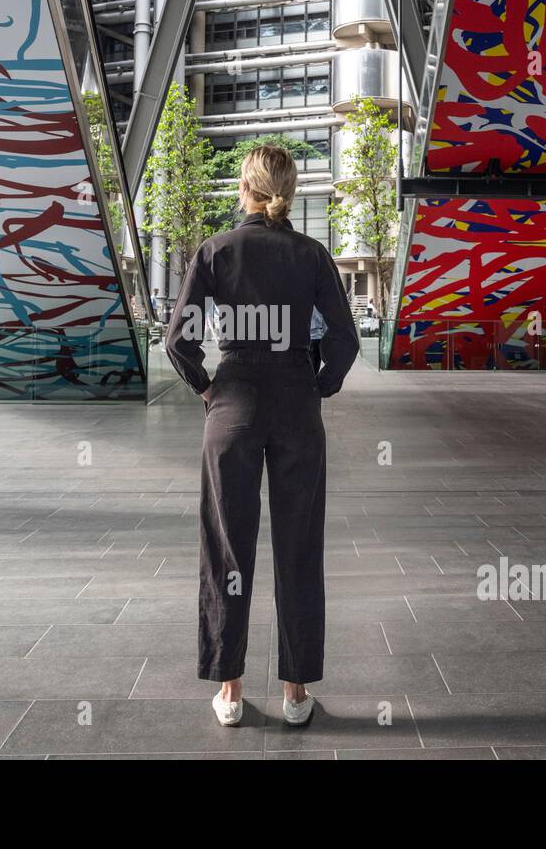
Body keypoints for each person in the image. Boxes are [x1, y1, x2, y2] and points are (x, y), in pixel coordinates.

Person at [165, 145, 360, 728]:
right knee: (299, 546)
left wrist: (207, 387)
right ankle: (295, 693)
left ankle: (230, 689)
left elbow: (180, 340)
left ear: (244, 189)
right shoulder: (312, 255)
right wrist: (316, 386)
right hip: (297, 405)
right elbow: (345, 342)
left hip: (234, 406)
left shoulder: (216, 251)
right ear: (289, 191)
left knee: (228, 548)